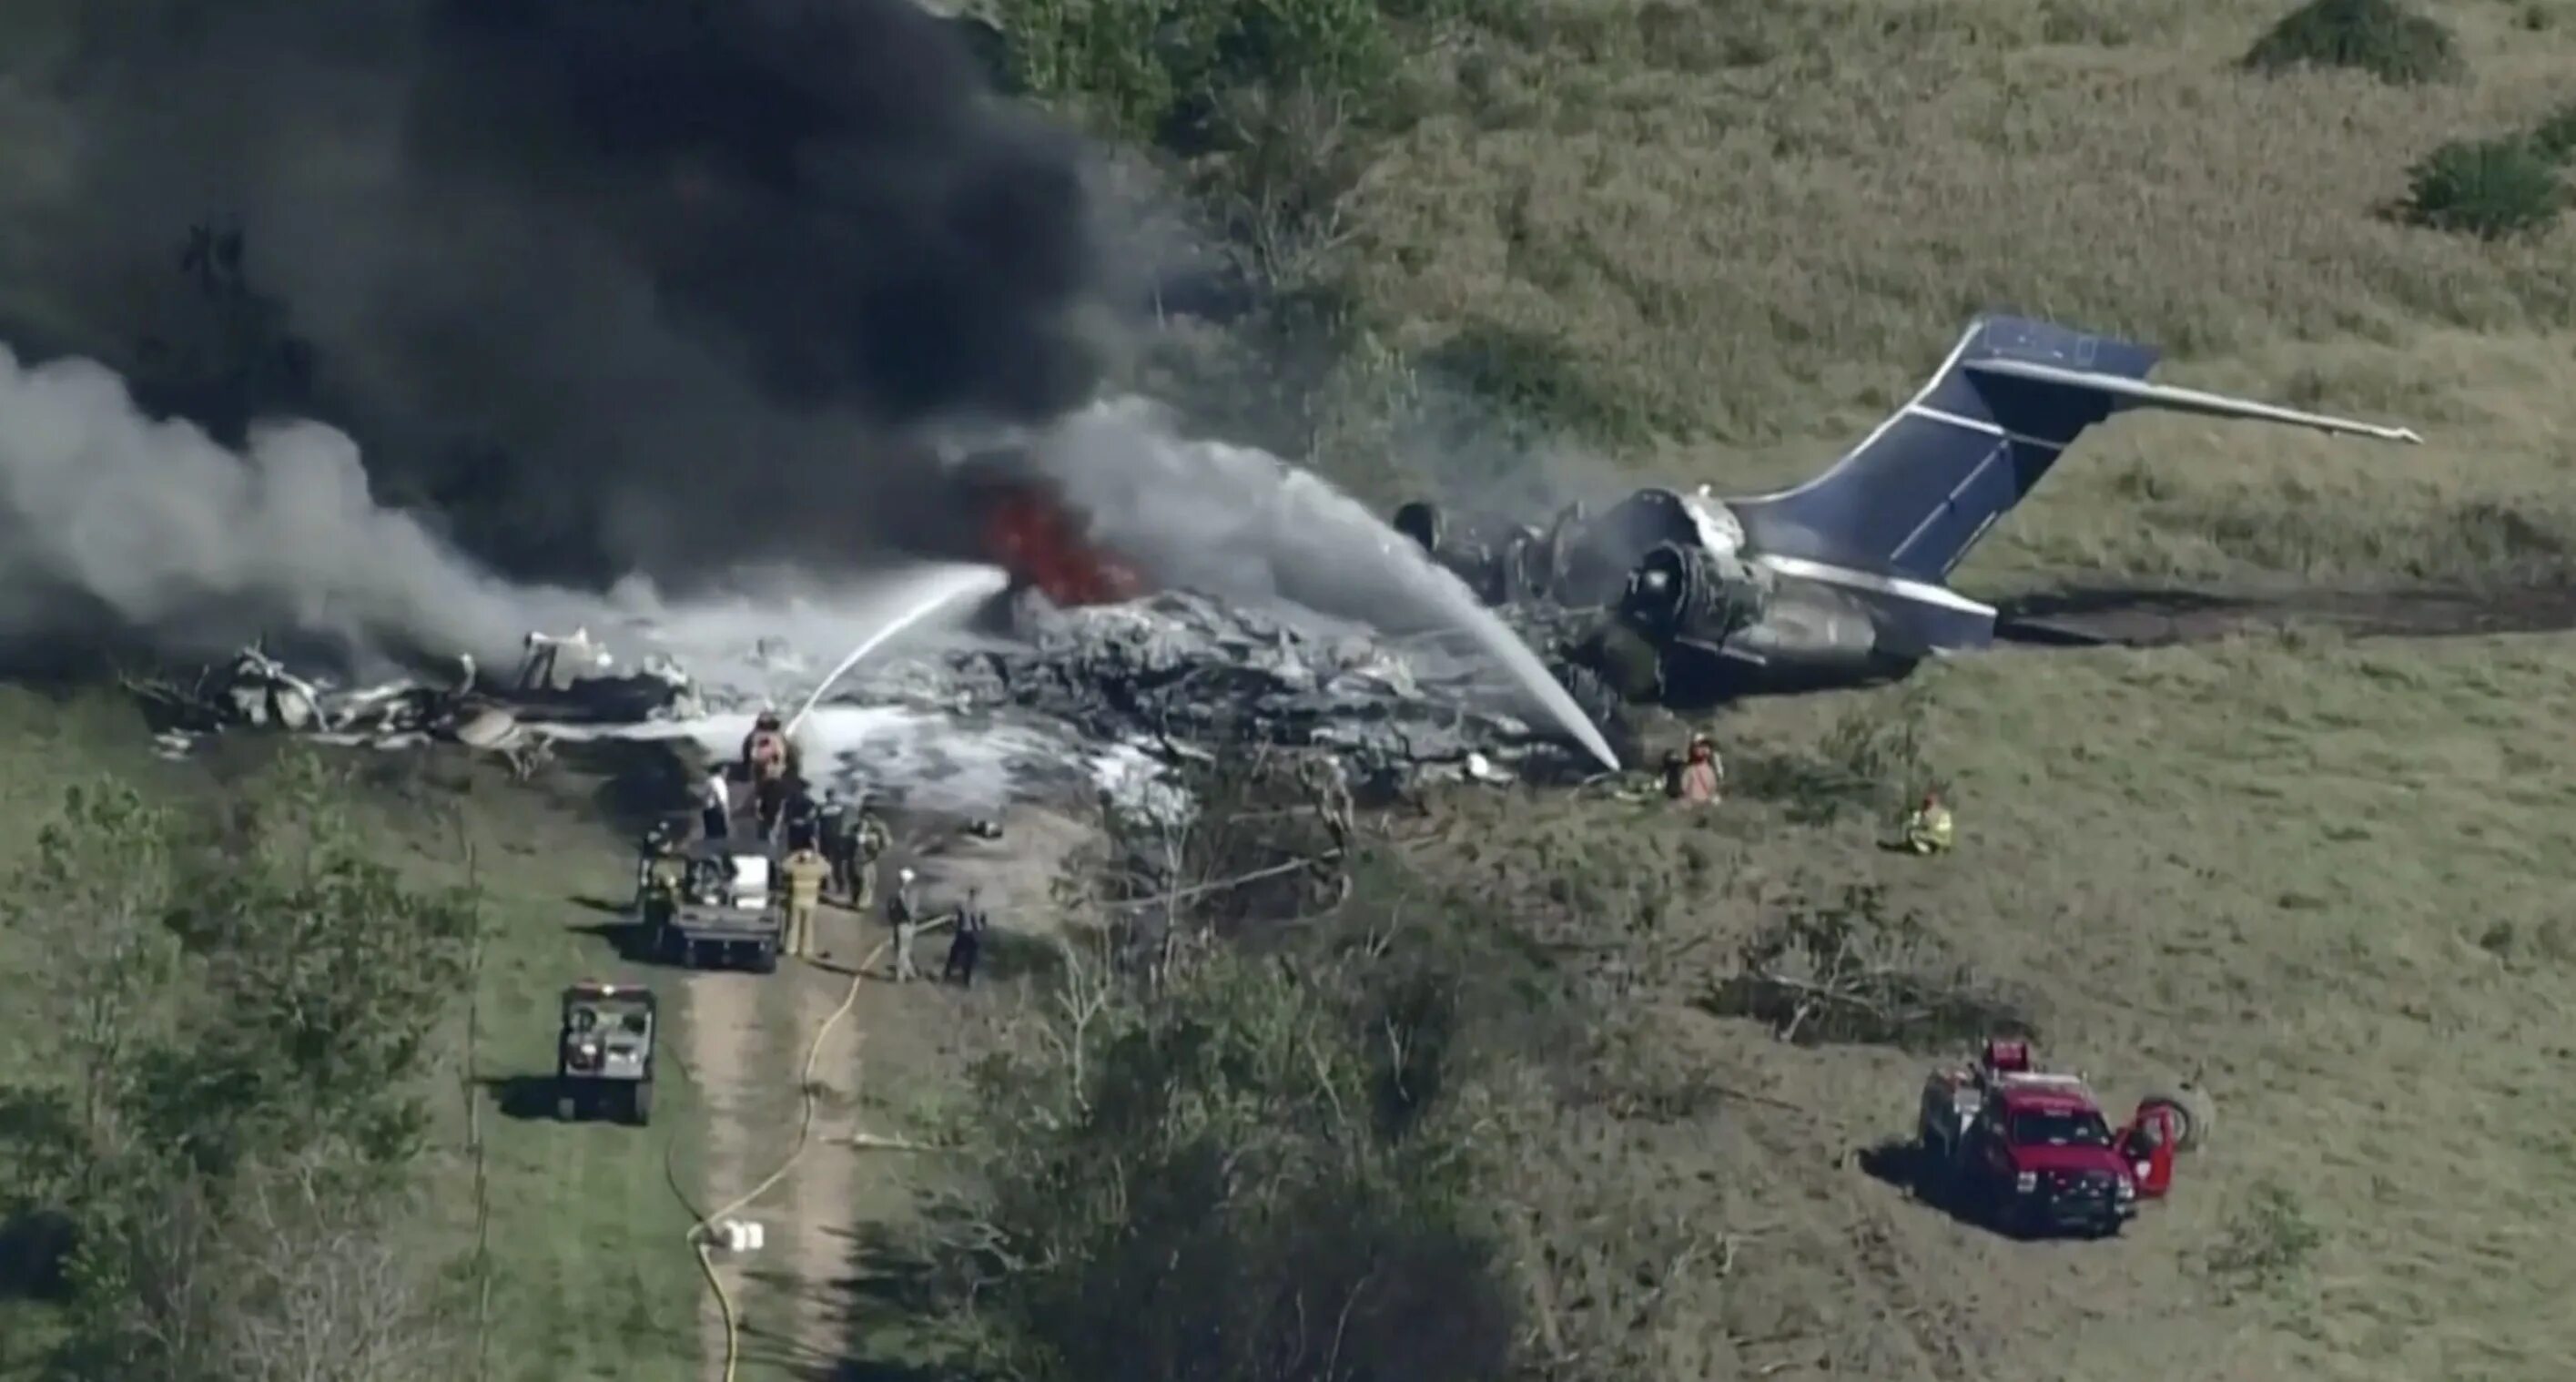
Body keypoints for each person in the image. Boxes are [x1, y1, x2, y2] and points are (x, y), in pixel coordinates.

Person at [778, 843, 830, 960]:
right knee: (808, 927)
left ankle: (791, 948)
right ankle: (806, 950)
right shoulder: (816, 868)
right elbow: (828, 868)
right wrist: (817, 856)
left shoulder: (796, 867)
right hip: (811, 900)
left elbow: (784, 866)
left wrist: (795, 855)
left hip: (796, 899)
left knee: (793, 925)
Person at [851, 796, 892, 909]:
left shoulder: (877, 825)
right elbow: (860, 839)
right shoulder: (864, 824)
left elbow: (886, 843)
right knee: (864, 881)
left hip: (869, 857)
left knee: (870, 880)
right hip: (862, 857)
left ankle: (863, 902)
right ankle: (860, 903)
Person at [944, 887, 989, 987]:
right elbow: (983, 921)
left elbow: (958, 919)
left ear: (970, 894)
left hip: (964, 932)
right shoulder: (981, 906)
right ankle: (967, 979)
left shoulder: (963, 905)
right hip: (975, 934)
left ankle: (947, 974)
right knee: (971, 958)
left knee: (954, 953)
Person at [887, 867, 920, 981]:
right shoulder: (902, 892)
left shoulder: (910, 893)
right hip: (899, 923)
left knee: (902, 950)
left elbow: (910, 911)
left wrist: (901, 900)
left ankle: (900, 976)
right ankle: (911, 973)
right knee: (901, 949)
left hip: (906, 925)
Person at [816, 790, 853, 897]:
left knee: (829, 863)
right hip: (835, 839)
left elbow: (815, 821)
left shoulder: (821, 808)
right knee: (836, 864)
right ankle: (838, 886)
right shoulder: (841, 808)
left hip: (827, 838)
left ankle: (826, 885)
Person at [1901, 788, 1955, 855]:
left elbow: (1923, 825)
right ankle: (1941, 846)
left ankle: (1927, 850)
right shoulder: (1944, 811)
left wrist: (1915, 820)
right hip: (1946, 839)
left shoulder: (1928, 813)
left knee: (1913, 833)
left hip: (1935, 837)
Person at [1675, 733, 1724, 806]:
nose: (1703, 748)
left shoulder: (1712, 768)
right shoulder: (1689, 770)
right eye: (1699, 746)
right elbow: (1684, 787)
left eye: (1705, 745)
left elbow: (1714, 787)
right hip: (1693, 804)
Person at [783, 782, 820, 852]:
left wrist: (793, 821)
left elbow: (786, 817)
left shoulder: (790, 801)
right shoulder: (810, 803)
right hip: (804, 832)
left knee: (795, 851)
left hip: (796, 831)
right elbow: (812, 817)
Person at [700, 766, 732, 841]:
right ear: (722, 771)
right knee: (719, 838)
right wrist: (726, 817)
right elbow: (721, 800)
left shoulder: (709, 780)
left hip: (708, 811)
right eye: (726, 771)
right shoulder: (718, 781)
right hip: (716, 812)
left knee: (711, 836)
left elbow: (703, 796)